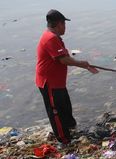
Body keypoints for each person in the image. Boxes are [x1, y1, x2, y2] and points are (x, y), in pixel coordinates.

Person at [35, 9, 99, 144]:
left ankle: (71, 129)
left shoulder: (55, 38)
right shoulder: (50, 38)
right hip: (49, 83)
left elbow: (65, 56)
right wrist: (84, 64)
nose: (65, 27)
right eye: (64, 24)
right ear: (59, 24)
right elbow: (64, 60)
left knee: (65, 107)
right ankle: (64, 140)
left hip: (58, 82)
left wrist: (84, 65)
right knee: (56, 112)